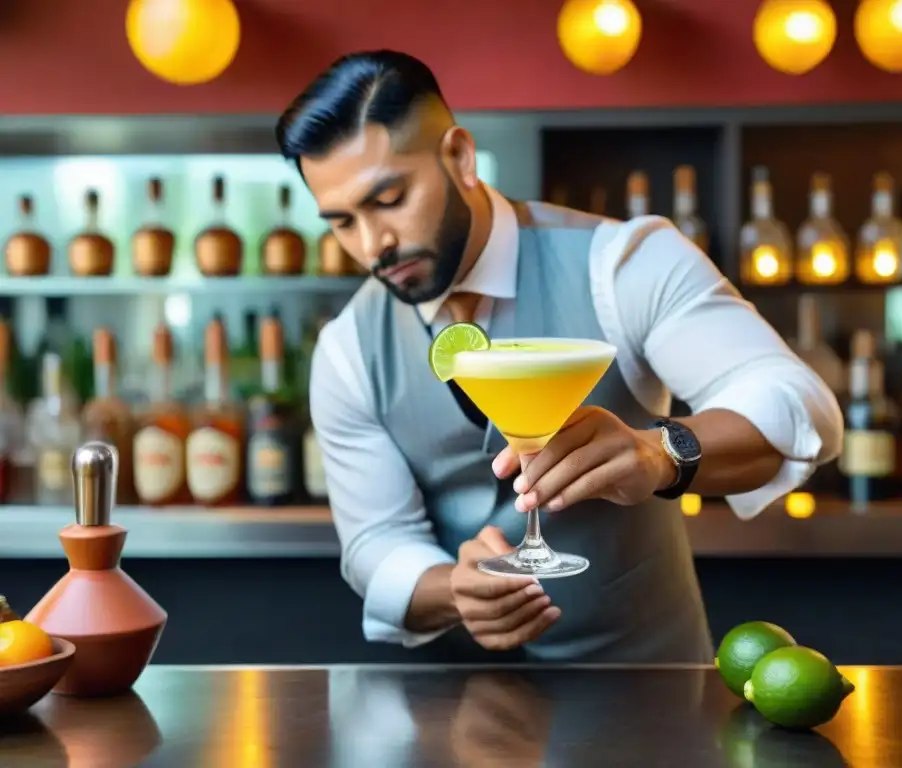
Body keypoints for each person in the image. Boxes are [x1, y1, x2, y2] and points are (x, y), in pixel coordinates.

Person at [278, 50, 843, 663]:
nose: (372, 244)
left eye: (389, 199)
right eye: (341, 223)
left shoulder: (621, 263)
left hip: (646, 690)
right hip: (460, 715)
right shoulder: (348, 348)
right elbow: (375, 541)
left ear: (460, 158)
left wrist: (658, 453)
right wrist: (456, 592)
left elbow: (798, 404)